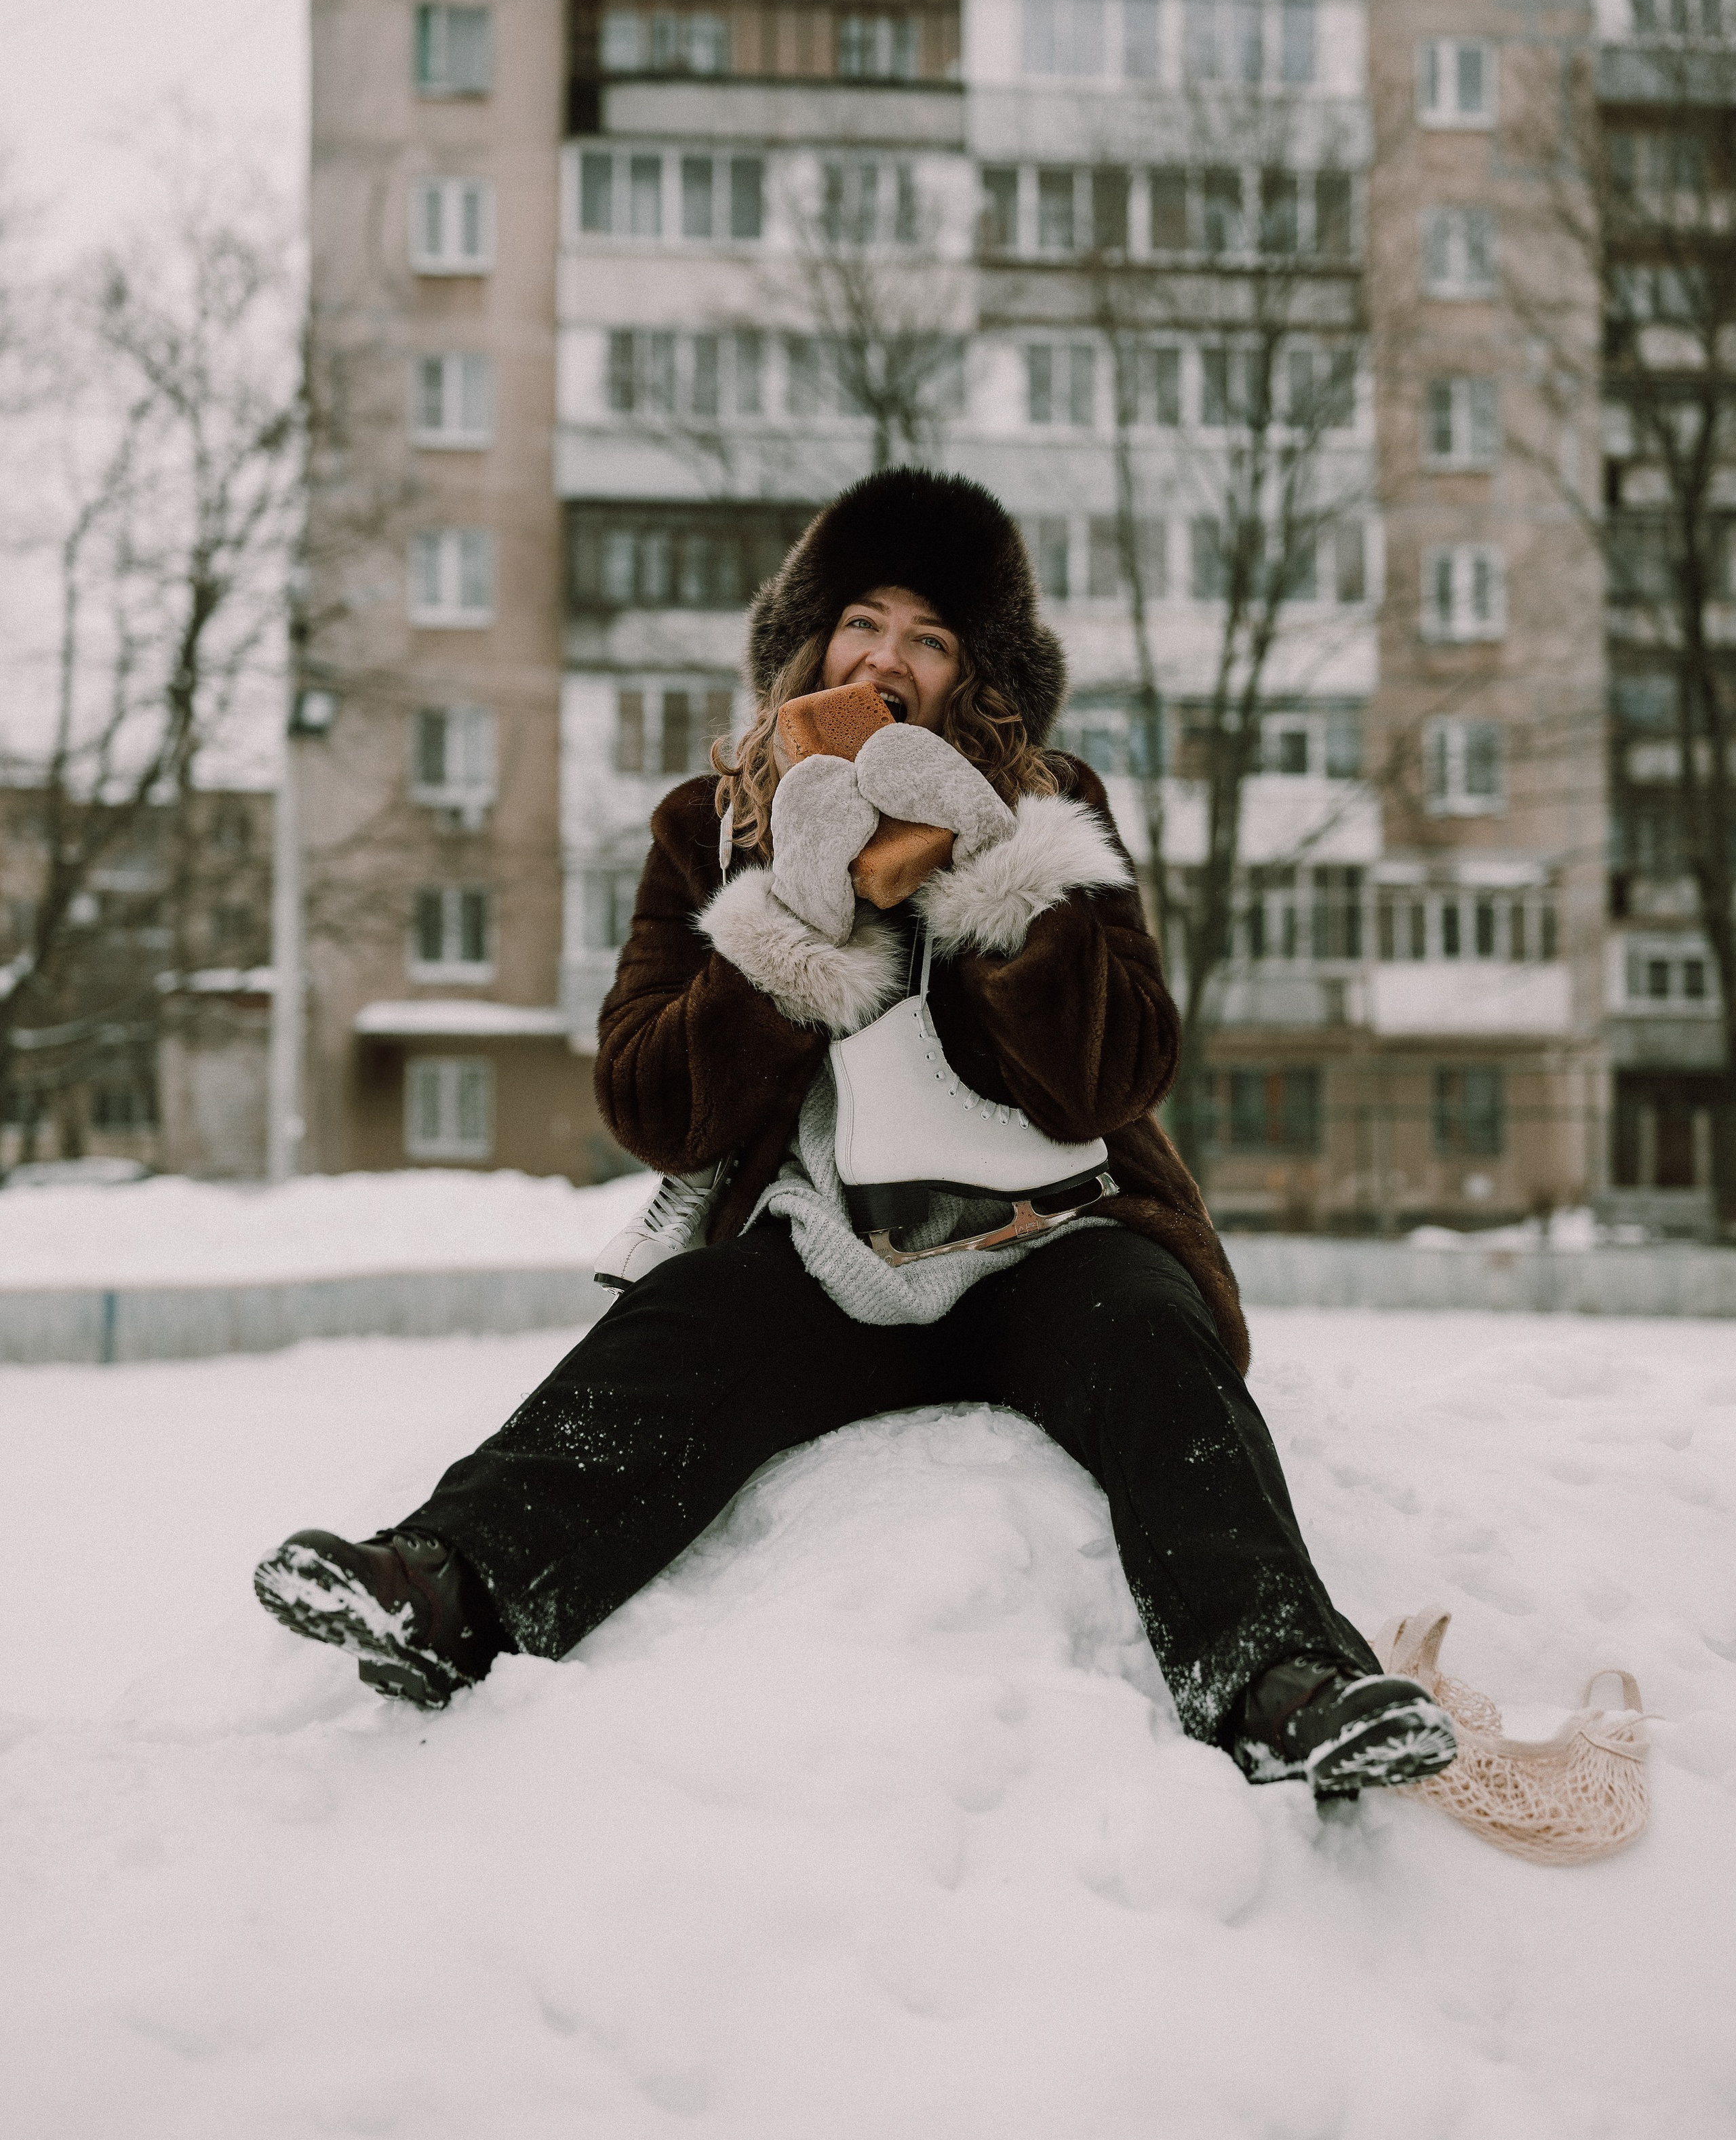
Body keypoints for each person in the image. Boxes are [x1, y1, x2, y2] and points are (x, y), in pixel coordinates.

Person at [254, 469, 1456, 1802]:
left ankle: (1281, 1684)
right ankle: (446, 1592)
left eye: (929, 637)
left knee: (1150, 1332)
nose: (887, 658)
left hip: (1044, 1250)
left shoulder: (1053, 798)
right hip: (829, 1261)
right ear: (809, 641)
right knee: (681, 1326)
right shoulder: (707, 826)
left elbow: (1114, 1078)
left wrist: (990, 870)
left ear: (974, 674)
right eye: (863, 622)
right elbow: (651, 1105)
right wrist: (793, 926)